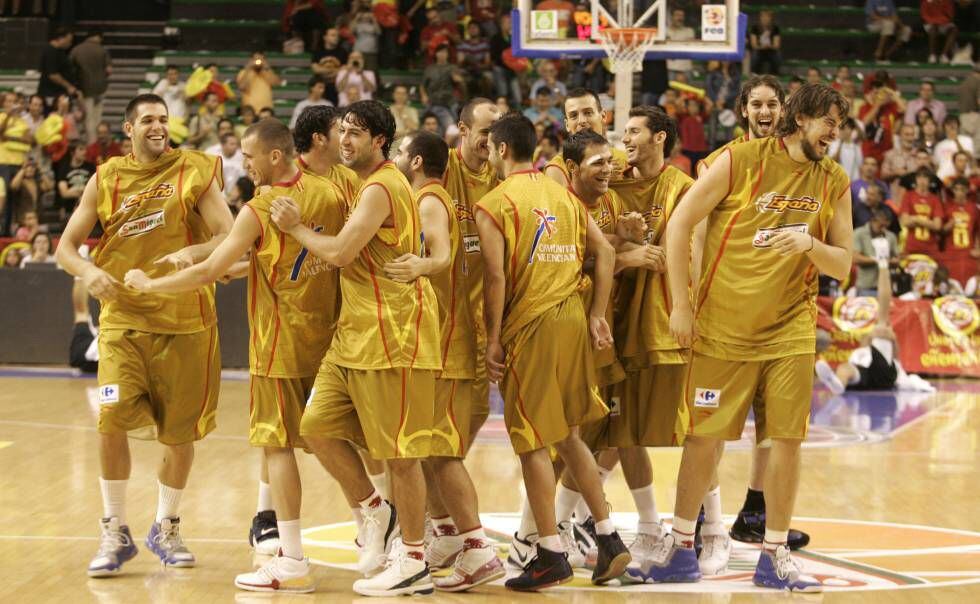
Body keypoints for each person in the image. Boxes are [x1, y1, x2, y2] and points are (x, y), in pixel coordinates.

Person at [642, 84, 852, 592]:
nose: (835, 134)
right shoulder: (738, 160)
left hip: (791, 329)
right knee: (703, 440)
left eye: (840, 126)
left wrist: (810, 243)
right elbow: (679, 226)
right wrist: (683, 305)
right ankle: (680, 546)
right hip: (723, 326)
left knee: (787, 440)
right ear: (800, 119)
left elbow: (843, 265)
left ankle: (774, 553)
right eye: (829, 122)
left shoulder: (834, 180)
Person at [124, 117, 346, 594]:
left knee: (278, 447)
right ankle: (386, 527)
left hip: (278, 346)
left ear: (274, 156)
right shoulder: (328, 193)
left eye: (248, 155)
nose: (243, 163)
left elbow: (208, 271)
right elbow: (294, 258)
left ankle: (291, 559)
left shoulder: (260, 208)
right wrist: (244, 265)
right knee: (352, 443)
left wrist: (152, 284)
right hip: (328, 342)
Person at [54, 93, 234, 578]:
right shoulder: (106, 177)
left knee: (179, 435)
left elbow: (228, 235)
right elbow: (66, 247)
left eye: (164, 119)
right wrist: (88, 274)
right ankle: (113, 528)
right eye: (148, 120)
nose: (159, 127)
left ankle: (166, 525)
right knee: (110, 421)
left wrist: (192, 254)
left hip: (186, 322)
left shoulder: (195, 170)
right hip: (122, 322)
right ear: (129, 128)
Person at [271, 100, 441, 596]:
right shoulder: (364, 182)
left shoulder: (383, 186)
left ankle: (413, 559)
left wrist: (294, 228)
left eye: (357, 133)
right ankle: (375, 511)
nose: (345, 140)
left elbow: (342, 252)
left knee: (400, 456)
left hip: (393, 334)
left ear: (380, 141)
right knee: (316, 427)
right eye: (343, 131)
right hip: (355, 334)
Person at [473, 113, 630, 590]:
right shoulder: (562, 193)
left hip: (533, 326)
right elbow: (604, 252)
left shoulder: (494, 202)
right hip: (573, 321)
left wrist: (493, 336)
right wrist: (598, 313)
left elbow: (496, 278)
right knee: (568, 437)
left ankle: (549, 551)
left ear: (501, 150)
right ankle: (608, 537)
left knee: (531, 442)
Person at [387, 130, 505, 592]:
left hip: (447, 343)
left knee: (441, 453)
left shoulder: (429, 200)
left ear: (416, 161)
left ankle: (477, 547)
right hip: (444, 342)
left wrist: (420, 264)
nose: (395, 157)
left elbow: (441, 255)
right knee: (430, 452)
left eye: (400, 151)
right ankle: (449, 534)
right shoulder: (438, 196)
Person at [815, 247, 898, 393]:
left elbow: (897, 360)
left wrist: (893, 340)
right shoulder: (869, 341)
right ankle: (839, 383)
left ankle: (883, 265)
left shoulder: (883, 331)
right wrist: (870, 338)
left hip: (884, 371)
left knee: (880, 328)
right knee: (844, 368)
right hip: (867, 372)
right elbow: (864, 349)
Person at [542, 88, 626, 188]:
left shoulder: (623, 162)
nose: (581, 121)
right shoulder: (556, 169)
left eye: (588, 113)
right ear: (567, 124)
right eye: (574, 116)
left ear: (603, 116)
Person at [69, 31, 111, 144]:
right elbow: (109, 70)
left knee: (88, 118)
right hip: (100, 89)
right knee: (97, 118)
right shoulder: (102, 50)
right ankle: (96, 143)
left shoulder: (76, 49)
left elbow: (69, 68)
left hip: (84, 89)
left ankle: (90, 144)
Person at [940, 177, 980, 284]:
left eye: (962, 189)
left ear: (967, 190)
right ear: (953, 190)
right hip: (951, 252)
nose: (959, 192)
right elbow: (939, 231)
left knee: (969, 286)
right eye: (956, 189)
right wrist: (947, 227)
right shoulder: (946, 207)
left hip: (968, 253)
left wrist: (978, 248)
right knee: (953, 285)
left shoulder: (973, 208)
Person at [852, 208, 900, 295]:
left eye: (886, 226)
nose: (883, 229)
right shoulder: (859, 233)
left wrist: (892, 261)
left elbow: (897, 259)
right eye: (881, 225)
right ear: (873, 220)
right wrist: (877, 260)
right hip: (866, 286)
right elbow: (855, 258)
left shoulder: (891, 236)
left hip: (887, 286)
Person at [859, 76, 905, 165]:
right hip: (869, 152)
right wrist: (878, 105)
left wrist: (893, 94)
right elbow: (864, 123)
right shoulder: (865, 107)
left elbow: (903, 109)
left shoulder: (891, 107)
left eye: (881, 91)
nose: (878, 93)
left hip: (887, 151)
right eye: (875, 90)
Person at [421, 44, 464, 132]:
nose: (442, 54)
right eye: (440, 52)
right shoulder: (430, 68)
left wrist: (458, 80)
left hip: (450, 102)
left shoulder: (452, 67)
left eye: (445, 52)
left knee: (454, 126)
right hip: (434, 102)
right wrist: (423, 96)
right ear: (436, 54)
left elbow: (461, 84)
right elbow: (422, 85)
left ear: (448, 54)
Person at [38, 27, 79, 107]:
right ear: (61, 38)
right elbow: (53, 74)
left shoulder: (59, 51)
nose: (70, 43)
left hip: (59, 93)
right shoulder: (50, 51)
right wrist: (69, 86)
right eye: (69, 40)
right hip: (51, 94)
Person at [55, 143, 95, 219]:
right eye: (81, 149)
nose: (84, 152)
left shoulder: (90, 167)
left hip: (88, 208)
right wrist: (83, 190)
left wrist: (73, 190)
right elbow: (64, 193)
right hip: (68, 209)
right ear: (72, 152)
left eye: (85, 149)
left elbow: (94, 189)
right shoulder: (64, 168)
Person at [749, 10, 781, 75]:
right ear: (760, 18)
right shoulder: (754, 28)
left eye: (767, 17)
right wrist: (761, 47)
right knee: (755, 54)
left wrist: (770, 46)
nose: (765, 19)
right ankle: (754, 73)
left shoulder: (775, 29)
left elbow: (776, 45)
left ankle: (775, 74)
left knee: (777, 55)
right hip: (759, 50)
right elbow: (754, 45)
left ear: (771, 19)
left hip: (771, 50)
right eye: (763, 17)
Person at [665, 9, 694, 80]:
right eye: (677, 15)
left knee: (685, 91)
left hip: (685, 69)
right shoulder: (665, 31)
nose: (680, 18)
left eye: (682, 16)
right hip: (668, 68)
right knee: (670, 91)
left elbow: (689, 47)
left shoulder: (689, 31)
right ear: (672, 17)